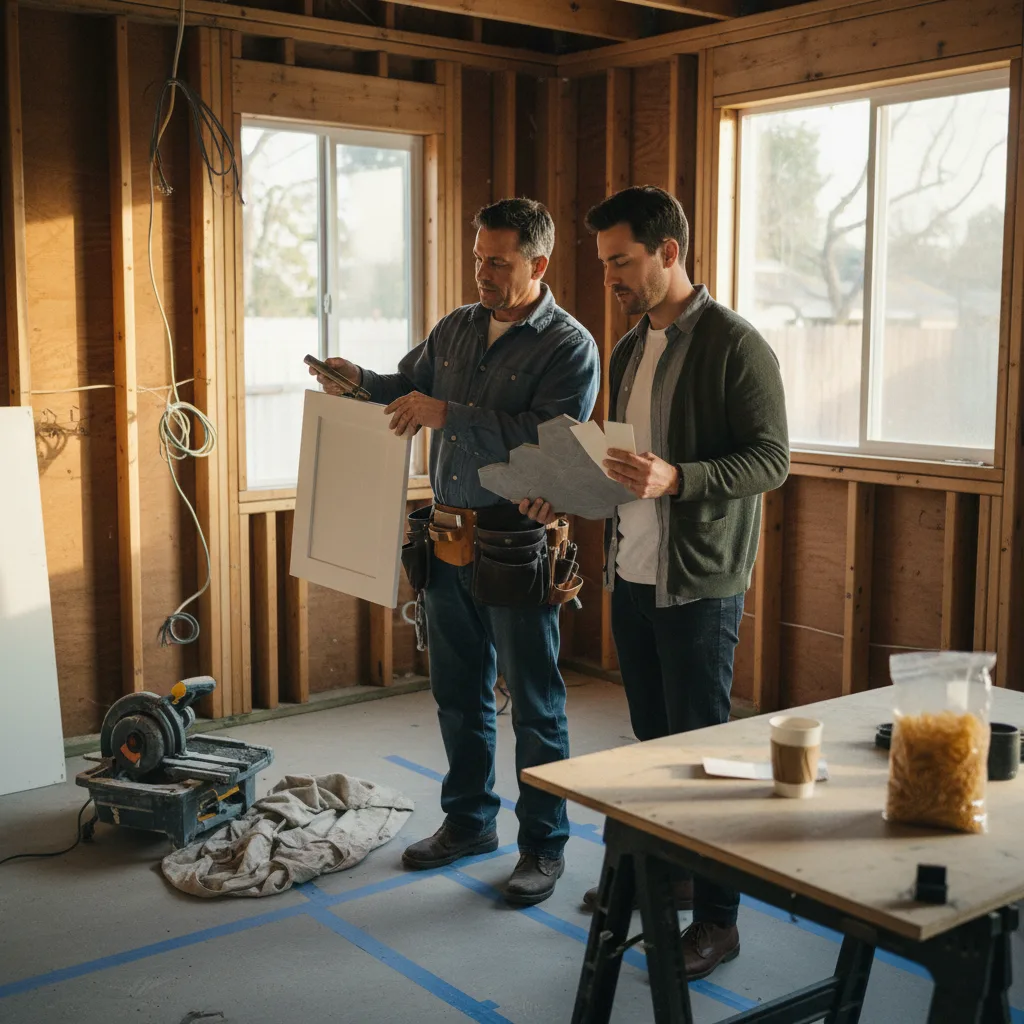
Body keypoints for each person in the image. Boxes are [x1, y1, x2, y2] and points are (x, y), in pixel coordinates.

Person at [521, 185, 789, 977]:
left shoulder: (736, 345)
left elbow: (772, 460)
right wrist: (567, 490)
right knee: (655, 746)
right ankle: (670, 876)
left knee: (705, 759)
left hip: (698, 584)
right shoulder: (630, 348)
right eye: (605, 263)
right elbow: (623, 466)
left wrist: (681, 478)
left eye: (622, 261)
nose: (609, 277)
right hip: (632, 575)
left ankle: (719, 921)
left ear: (669, 252)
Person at [310, 197, 600, 906]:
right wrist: (359, 381)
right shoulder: (456, 328)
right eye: (478, 259)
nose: (482, 273)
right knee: (458, 696)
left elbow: (554, 439)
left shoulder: (569, 345)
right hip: (444, 539)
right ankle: (469, 823)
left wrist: (451, 415)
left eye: (497, 262)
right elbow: (406, 391)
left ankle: (543, 846)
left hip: (518, 542)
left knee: (535, 707)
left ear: (538, 263)